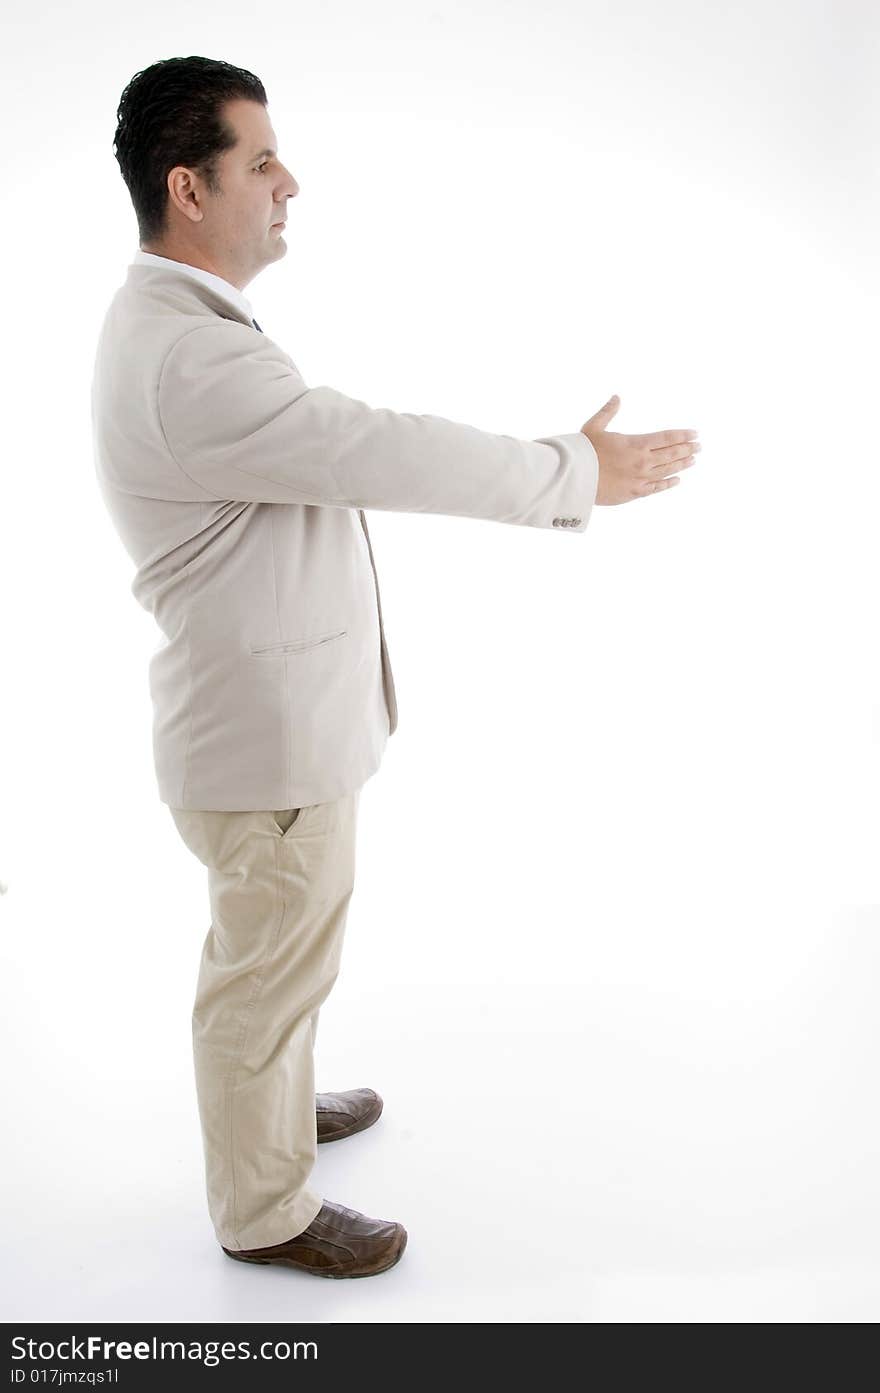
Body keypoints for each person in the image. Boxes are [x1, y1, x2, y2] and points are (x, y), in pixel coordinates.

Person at [91, 55, 701, 1281]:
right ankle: (261, 1207)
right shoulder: (190, 357)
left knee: (286, 946)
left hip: (271, 733)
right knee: (263, 970)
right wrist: (570, 472)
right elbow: (379, 452)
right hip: (262, 746)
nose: (289, 181)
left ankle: (272, 1099)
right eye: (260, 161)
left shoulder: (184, 330)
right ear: (189, 190)